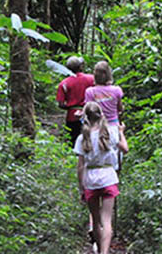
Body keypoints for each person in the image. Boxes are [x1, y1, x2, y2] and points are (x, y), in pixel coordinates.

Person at [74, 101, 128, 254]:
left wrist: (81, 188)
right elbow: (125, 149)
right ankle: (104, 252)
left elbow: (80, 167)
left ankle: (99, 249)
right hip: (108, 178)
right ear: (101, 115)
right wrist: (121, 132)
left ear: (85, 117)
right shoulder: (110, 133)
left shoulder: (82, 138)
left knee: (96, 220)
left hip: (91, 181)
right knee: (107, 221)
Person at [56, 56, 95, 144]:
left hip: (72, 116)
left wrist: (71, 106)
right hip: (90, 113)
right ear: (80, 67)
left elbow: (61, 104)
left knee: (74, 141)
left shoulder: (64, 83)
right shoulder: (92, 79)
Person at [84, 60, 123, 125]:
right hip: (113, 124)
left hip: (97, 125)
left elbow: (88, 111)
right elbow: (120, 109)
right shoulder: (116, 90)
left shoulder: (90, 92)